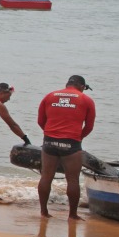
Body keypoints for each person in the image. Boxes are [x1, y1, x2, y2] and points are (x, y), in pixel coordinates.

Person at [36, 75, 97, 220]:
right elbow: (89, 126)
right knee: (73, 180)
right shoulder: (86, 99)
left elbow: (40, 121)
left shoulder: (50, 96)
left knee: (46, 176)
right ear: (82, 86)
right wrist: (78, 138)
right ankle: (72, 215)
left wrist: (50, 134)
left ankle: (44, 212)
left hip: (49, 141)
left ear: (67, 84)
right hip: (71, 143)